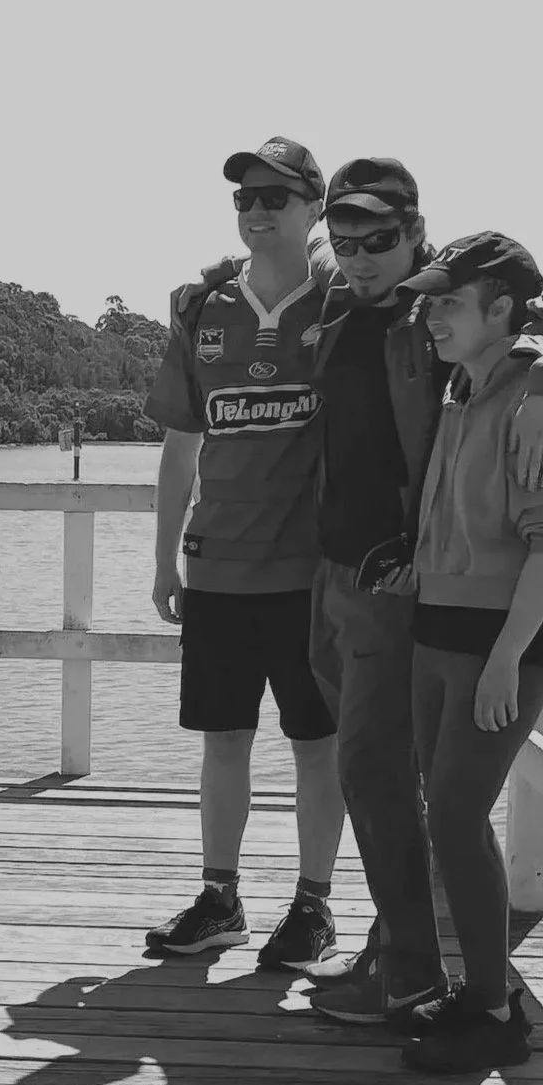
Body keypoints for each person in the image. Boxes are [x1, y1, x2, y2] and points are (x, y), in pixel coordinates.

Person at [303, 160, 543, 1026]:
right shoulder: (345, 300)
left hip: (415, 599)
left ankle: (413, 974)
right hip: (341, 574)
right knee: (377, 778)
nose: (360, 254)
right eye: (344, 237)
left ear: (413, 230)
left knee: (381, 776)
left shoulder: (450, 303)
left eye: (379, 238)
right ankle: (397, 959)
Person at [388, 231, 543, 1076]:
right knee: (444, 812)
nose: (430, 315)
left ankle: (495, 1007)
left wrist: (509, 659)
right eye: (429, 301)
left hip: (500, 641)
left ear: (501, 310)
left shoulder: (538, 402)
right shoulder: (459, 391)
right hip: (438, 625)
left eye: (448, 302)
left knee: (455, 812)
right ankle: (476, 989)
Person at [143, 136, 345, 968]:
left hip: (310, 574)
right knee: (222, 739)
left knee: (315, 744)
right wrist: (162, 563)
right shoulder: (203, 308)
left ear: (312, 205)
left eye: (274, 196)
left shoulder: (345, 299)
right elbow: (178, 446)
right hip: (217, 568)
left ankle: (313, 906)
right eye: (243, 199)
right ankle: (220, 897)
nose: (256, 211)